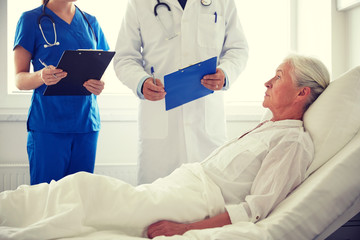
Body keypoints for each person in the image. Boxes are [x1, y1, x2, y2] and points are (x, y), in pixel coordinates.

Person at [0, 55, 330, 239]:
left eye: (278, 76)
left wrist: (186, 229)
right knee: (86, 192)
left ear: (302, 93)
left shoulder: (292, 141)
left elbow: (255, 209)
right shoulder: (268, 126)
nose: (267, 82)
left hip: (196, 201)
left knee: (86, 189)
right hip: (182, 184)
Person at [113, 0, 249, 184]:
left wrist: (226, 73)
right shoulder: (140, 3)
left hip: (206, 122)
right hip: (160, 120)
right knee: (157, 203)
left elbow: (238, 48)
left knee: (208, 200)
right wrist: (141, 82)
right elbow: (124, 57)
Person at [13, 0, 110, 185]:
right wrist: (41, 76)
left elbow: (100, 67)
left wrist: (100, 85)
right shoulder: (30, 20)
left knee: (80, 199)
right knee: (46, 200)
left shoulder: (91, 22)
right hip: (48, 127)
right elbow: (19, 79)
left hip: (86, 125)